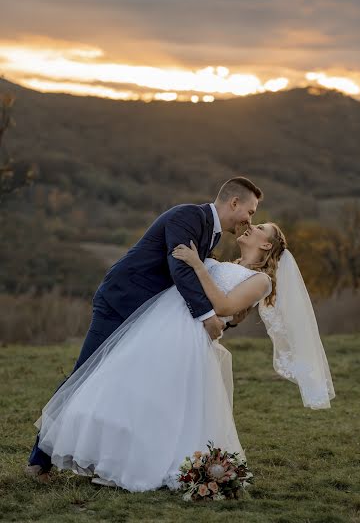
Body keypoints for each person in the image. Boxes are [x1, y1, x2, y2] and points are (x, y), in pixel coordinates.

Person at [26, 176, 263, 482]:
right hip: (121, 302)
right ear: (234, 203)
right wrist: (206, 317)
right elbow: (180, 268)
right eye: (251, 211)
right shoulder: (189, 216)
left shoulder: (211, 234)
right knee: (84, 374)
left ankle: (103, 455)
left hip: (147, 315)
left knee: (121, 383)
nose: (249, 220)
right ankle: (38, 460)